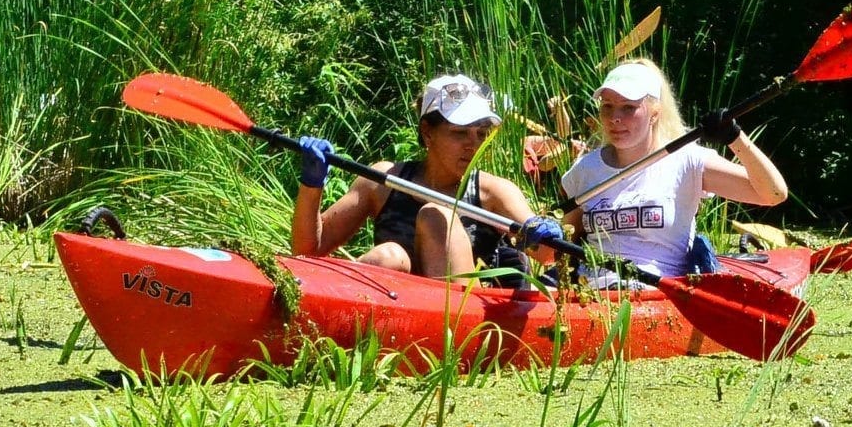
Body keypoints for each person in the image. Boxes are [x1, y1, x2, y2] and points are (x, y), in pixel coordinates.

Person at [290, 74, 566, 282]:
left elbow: (547, 255)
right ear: (427, 132)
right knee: (388, 256)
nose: (474, 145)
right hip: (397, 308)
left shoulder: (494, 192)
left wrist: (542, 232)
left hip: (464, 319)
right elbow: (307, 250)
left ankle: (448, 344)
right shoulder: (383, 180)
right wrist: (311, 185)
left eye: (481, 134)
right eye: (460, 134)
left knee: (436, 216)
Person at [559, 59, 788, 280]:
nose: (615, 118)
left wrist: (733, 136)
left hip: (659, 292)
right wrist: (537, 231)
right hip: (590, 293)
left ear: (654, 113)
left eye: (628, 108)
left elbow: (773, 194)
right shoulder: (585, 169)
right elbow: (553, 251)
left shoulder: (687, 160)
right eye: (607, 106)